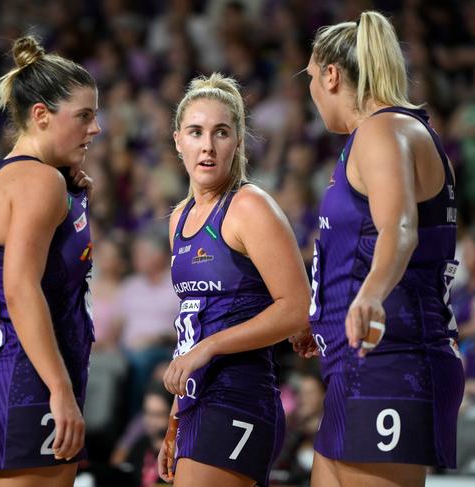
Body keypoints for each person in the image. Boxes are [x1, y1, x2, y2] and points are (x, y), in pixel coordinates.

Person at [294, 10, 464, 487]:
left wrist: (367, 296)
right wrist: (325, 315)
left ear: (331, 75)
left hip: (394, 360)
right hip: (359, 362)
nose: (309, 91)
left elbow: (400, 228)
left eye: (310, 77)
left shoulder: (381, 130)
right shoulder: (377, 135)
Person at [158, 73, 311, 487]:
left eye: (220, 132)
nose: (207, 146)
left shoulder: (249, 206)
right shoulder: (179, 219)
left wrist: (207, 350)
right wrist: (175, 418)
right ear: (178, 141)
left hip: (239, 396)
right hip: (196, 403)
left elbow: (297, 308)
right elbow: (192, 323)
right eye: (196, 132)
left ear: (238, 141)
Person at [0, 35, 100, 487]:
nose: (95, 129)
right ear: (41, 115)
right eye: (84, 116)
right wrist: (59, 389)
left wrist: (74, 198)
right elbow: (20, 290)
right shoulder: (40, 183)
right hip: (31, 383)